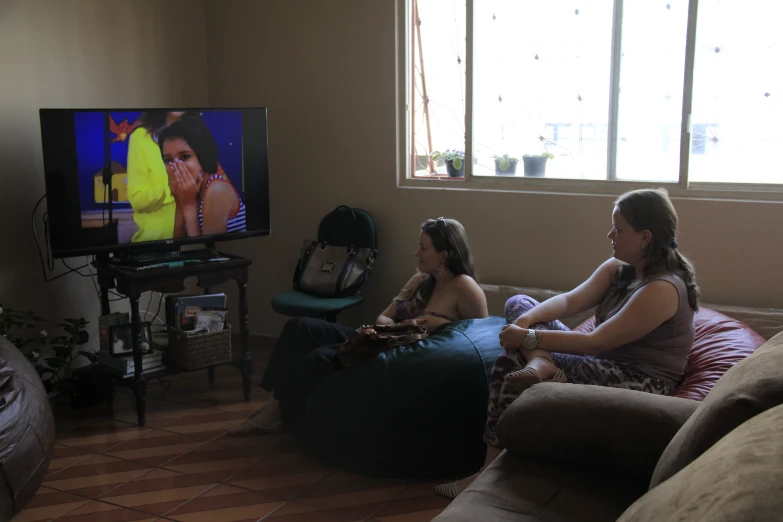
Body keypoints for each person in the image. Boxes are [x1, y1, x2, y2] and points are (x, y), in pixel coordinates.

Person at [436, 188, 700, 498]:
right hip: (604, 362)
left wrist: (528, 337)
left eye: (618, 229)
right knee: (519, 302)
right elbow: (568, 301)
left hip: (638, 380)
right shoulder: (618, 269)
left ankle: (482, 476)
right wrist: (524, 321)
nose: (609, 235)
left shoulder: (663, 288)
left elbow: (595, 342)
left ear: (645, 237)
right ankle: (541, 363)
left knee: (508, 363)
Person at [229, 217, 489, 435]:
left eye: (423, 248)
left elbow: (480, 340)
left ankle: (278, 414)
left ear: (443, 255)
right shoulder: (421, 279)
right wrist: (397, 326)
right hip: (380, 339)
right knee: (299, 327)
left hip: (404, 357)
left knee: (317, 358)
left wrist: (438, 323)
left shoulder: (464, 287)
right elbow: (383, 318)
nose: (416, 253)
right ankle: (273, 406)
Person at [158, 117, 246, 237]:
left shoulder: (216, 190)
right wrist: (179, 201)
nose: (176, 167)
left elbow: (203, 251)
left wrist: (189, 205)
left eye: (184, 157)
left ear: (202, 156)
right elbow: (177, 247)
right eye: (168, 160)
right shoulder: (191, 191)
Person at [126, 111, 195, 242]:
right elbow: (137, 201)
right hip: (155, 246)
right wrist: (170, 188)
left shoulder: (200, 135)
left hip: (194, 244)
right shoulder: (141, 137)